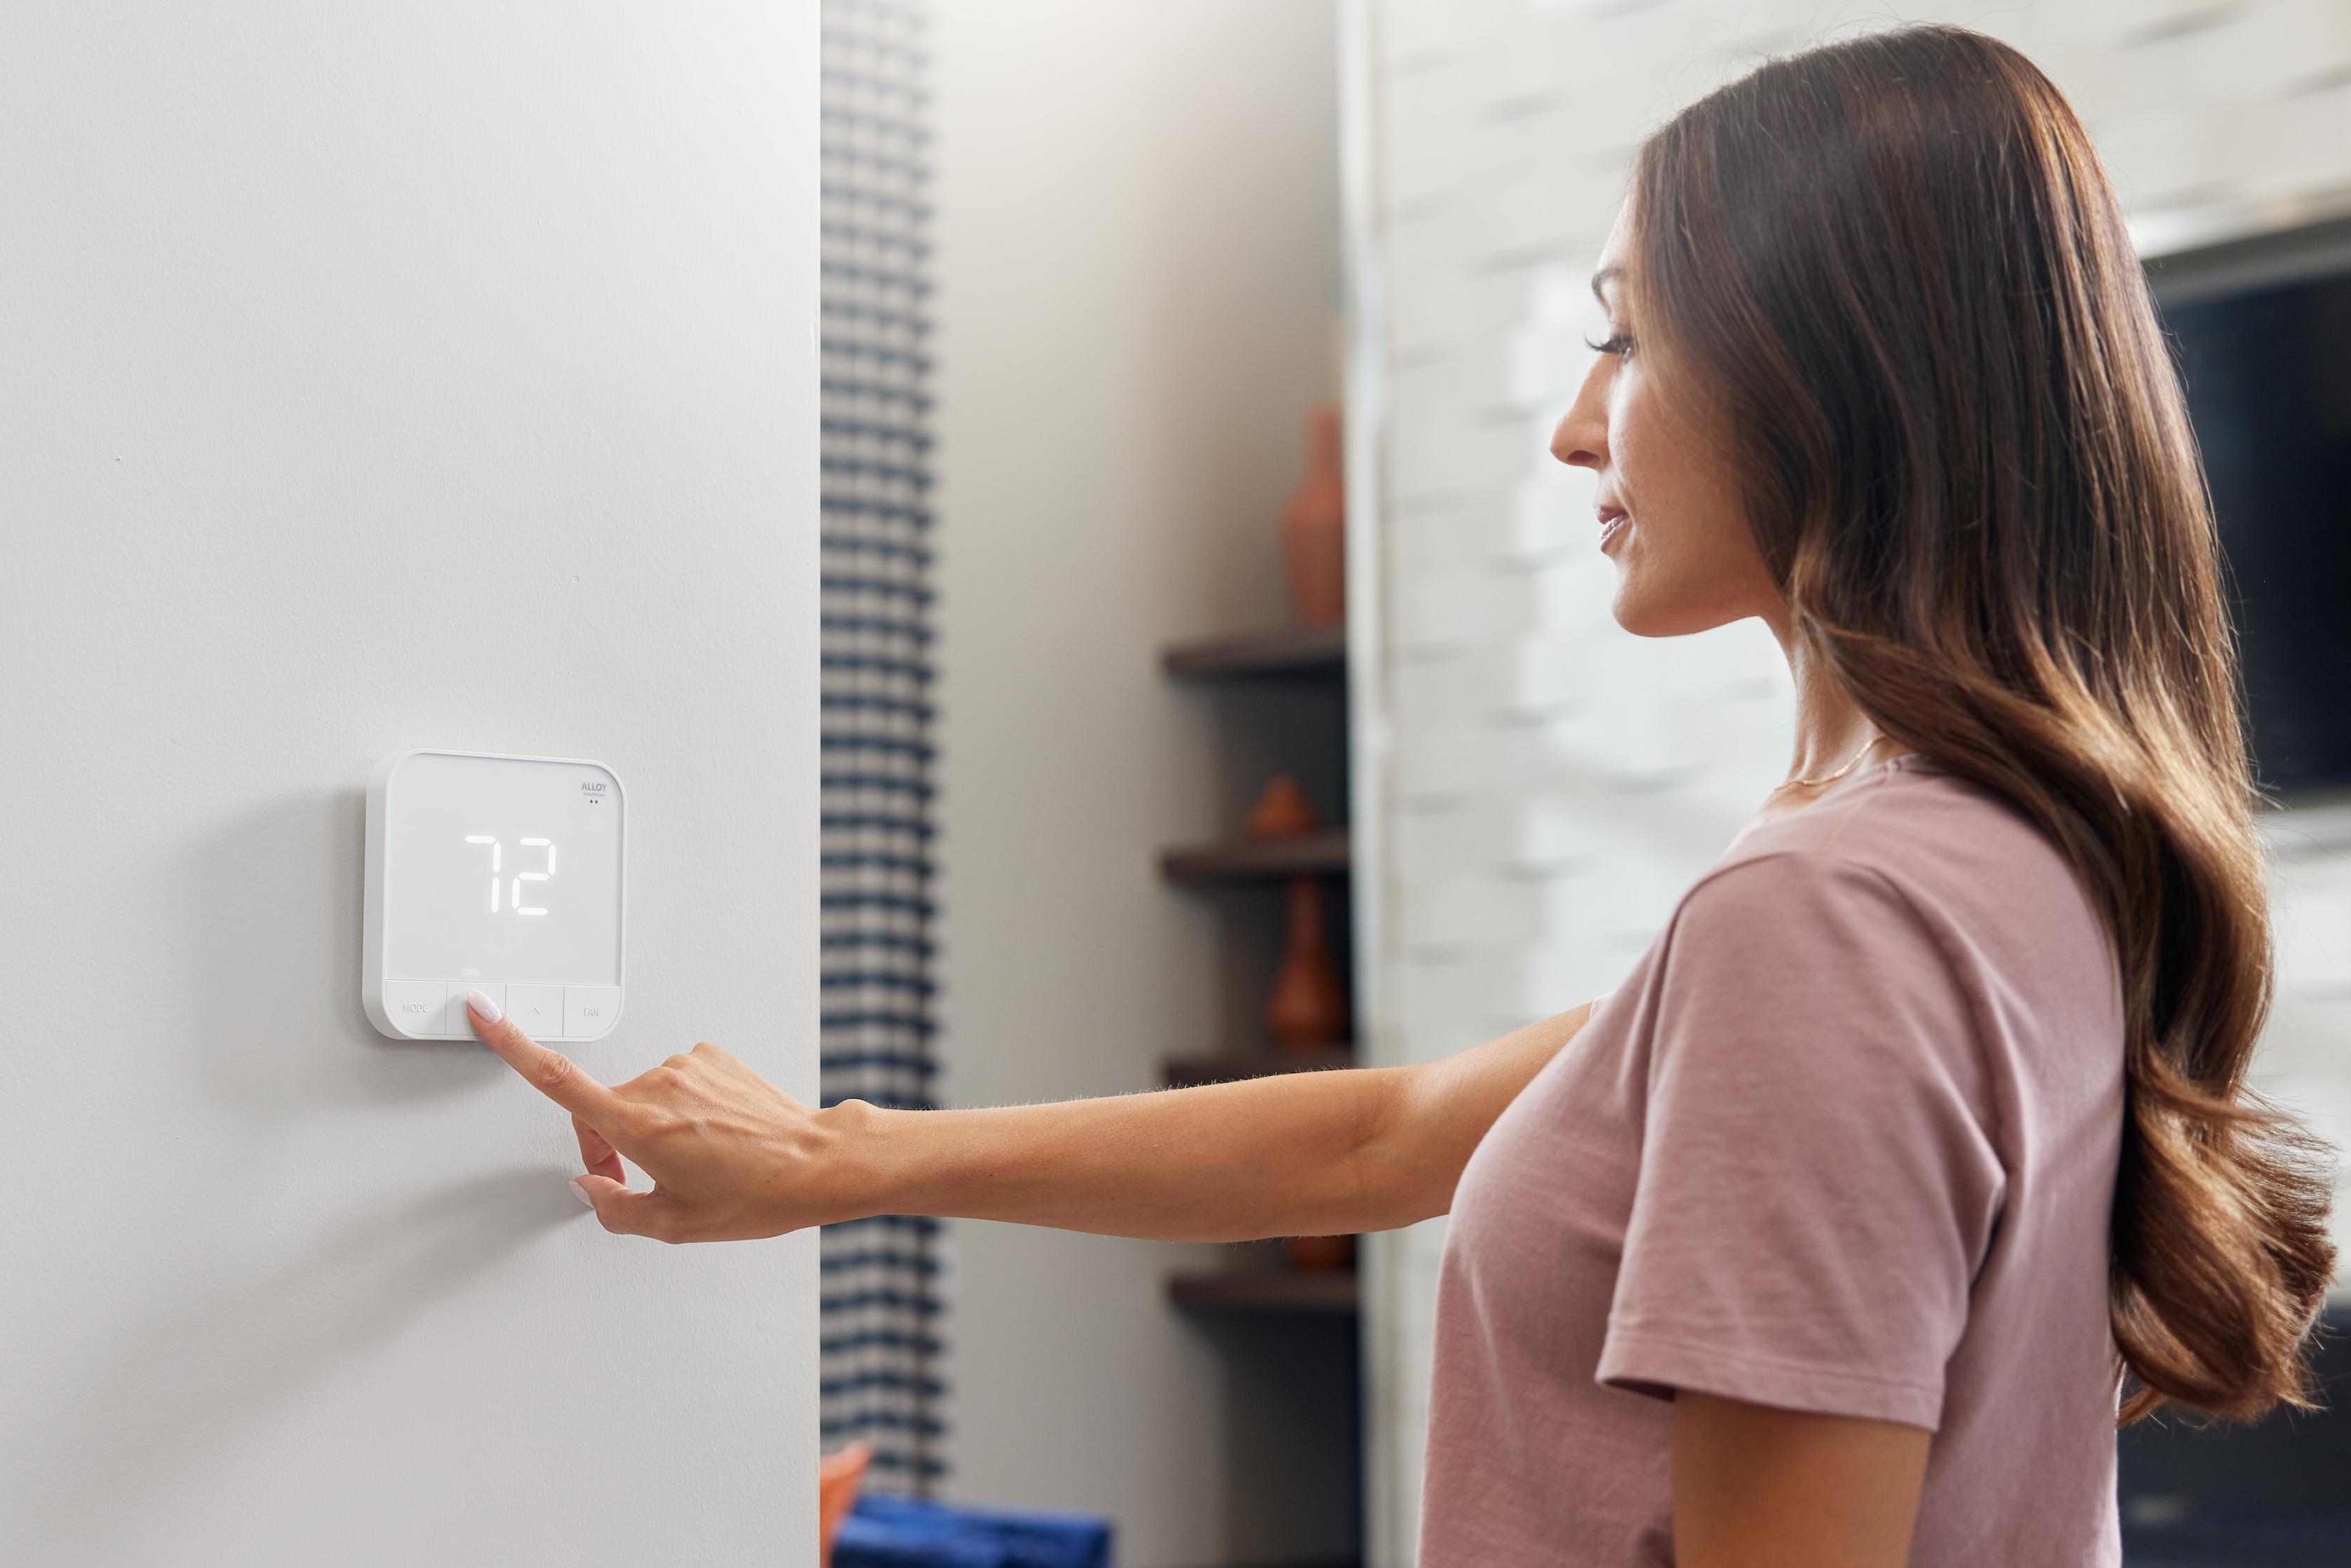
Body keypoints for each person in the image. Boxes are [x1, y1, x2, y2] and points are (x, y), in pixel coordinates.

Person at [465, 25, 2334, 1567]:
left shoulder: (1829, 917)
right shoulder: (2016, 864)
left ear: (1823, 367)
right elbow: (1391, 1140)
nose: (1577, 420)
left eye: (1629, 331)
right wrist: (841, 1161)